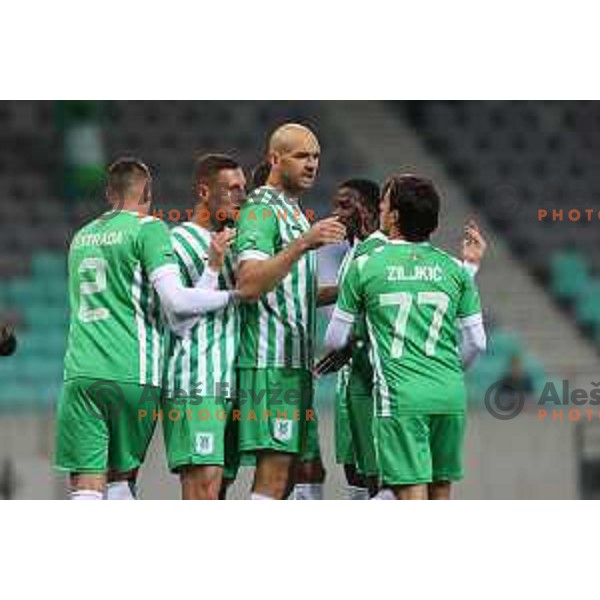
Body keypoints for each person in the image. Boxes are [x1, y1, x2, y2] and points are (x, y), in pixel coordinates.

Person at [55, 157, 237, 500]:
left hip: (80, 373)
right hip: (132, 372)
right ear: (149, 191)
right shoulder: (149, 228)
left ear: (110, 193)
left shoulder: (80, 237)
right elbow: (178, 303)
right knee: (120, 481)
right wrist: (229, 289)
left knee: (86, 487)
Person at [325, 174, 486, 500]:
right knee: (440, 491)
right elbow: (478, 343)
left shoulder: (367, 263)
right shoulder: (455, 267)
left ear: (394, 215)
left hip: (400, 396)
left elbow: (334, 339)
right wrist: (451, 370)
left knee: (405, 493)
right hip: (450, 394)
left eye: (383, 204)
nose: (380, 210)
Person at [235, 123, 346, 500]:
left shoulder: (295, 212)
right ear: (274, 159)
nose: (312, 164)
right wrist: (302, 244)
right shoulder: (260, 210)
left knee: (296, 479)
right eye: (302, 156)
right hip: (269, 363)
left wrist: (346, 291)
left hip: (295, 366)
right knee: (274, 478)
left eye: (316, 156)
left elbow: (293, 291)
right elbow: (249, 284)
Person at [162, 153, 246, 500]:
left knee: (221, 488)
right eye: (231, 189)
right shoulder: (175, 240)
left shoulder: (240, 243)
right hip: (196, 381)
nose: (241, 196)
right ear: (203, 192)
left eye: (244, 188)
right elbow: (177, 319)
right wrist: (212, 267)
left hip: (233, 381)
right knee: (202, 488)